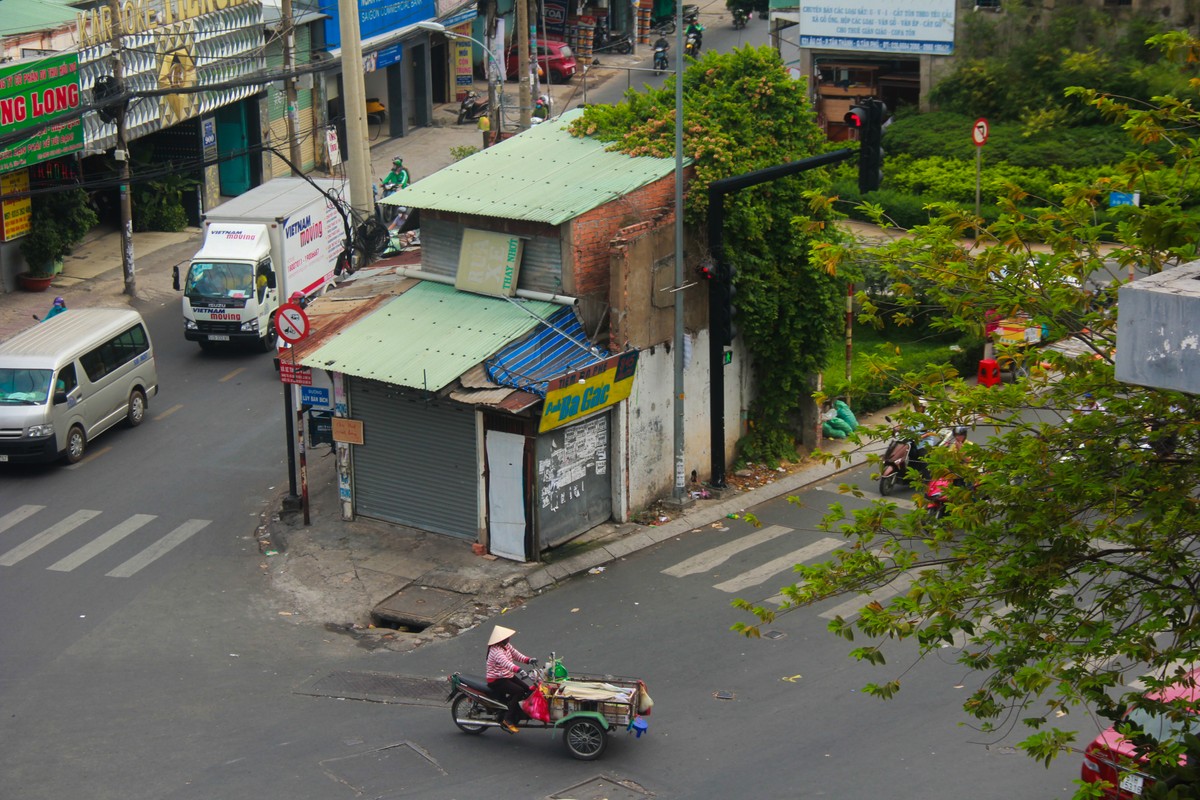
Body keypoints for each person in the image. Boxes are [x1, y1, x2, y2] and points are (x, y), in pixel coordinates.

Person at [485, 625, 537, 734]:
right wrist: (518, 670)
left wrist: (528, 660)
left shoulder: (506, 646)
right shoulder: (496, 650)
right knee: (519, 691)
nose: (508, 639)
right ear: (500, 639)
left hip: (506, 675)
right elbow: (506, 663)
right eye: (506, 638)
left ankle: (513, 710)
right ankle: (507, 719)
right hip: (496, 679)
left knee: (527, 689)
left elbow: (516, 655)